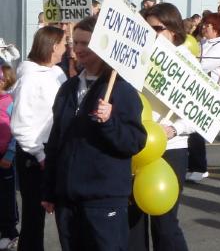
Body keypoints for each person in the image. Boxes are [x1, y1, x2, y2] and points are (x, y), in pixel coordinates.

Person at [42, 16, 146, 251]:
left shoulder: (121, 89)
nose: (78, 49)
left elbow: (134, 142)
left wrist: (109, 121)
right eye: (74, 43)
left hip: (103, 199)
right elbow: (57, 141)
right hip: (67, 201)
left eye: (85, 43)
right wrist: (49, 189)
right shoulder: (68, 88)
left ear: (102, 46)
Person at [138, 3, 195, 251]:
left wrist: (173, 129)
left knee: (164, 221)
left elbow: (199, 113)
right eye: (145, 28)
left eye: (156, 29)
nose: (150, 34)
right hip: (137, 147)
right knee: (134, 221)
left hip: (171, 147)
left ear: (173, 29)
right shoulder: (137, 58)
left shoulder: (187, 62)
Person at [10, 26, 67, 251]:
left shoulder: (57, 72)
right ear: (54, 46)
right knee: (34, 218)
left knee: (64, 215)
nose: (67, 49)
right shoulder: (29, 78)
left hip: (54, 153)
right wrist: (40, 155)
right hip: (35, 157)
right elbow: (20, 124)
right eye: (64, 44)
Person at [188, 13, 220, 182]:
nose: (204, 27)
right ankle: (193, 165)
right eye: (204, 24)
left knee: (196, 130)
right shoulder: (203, 42)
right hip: (197, 89)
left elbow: (203, 65)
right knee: (191, 131)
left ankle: (199, 167)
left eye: (208, 25)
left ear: (217, 29)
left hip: (209, 91)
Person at [0, 64, 18, 250]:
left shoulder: (10, 103)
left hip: (5, 158)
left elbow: (16, 132)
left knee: (6, 196)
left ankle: (9, 231)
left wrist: (10, 154)